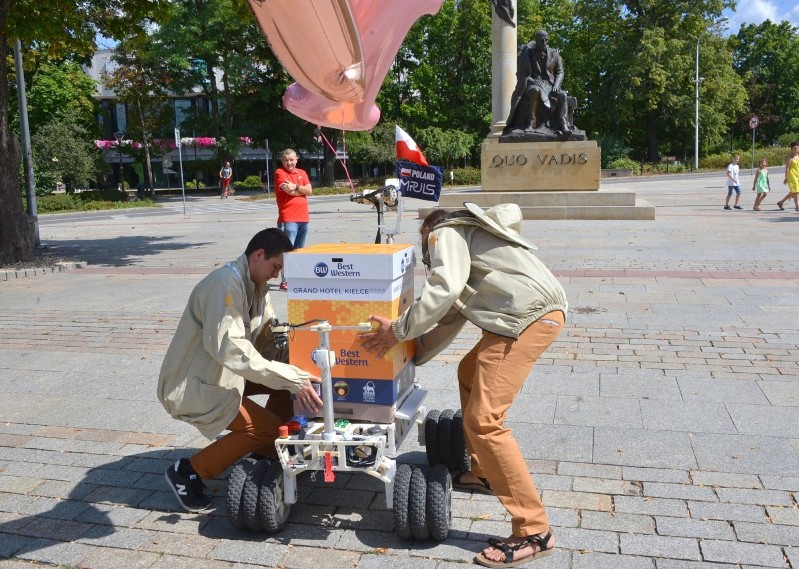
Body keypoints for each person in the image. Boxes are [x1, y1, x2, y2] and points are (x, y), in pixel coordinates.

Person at [359, 203, 566, 568]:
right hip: (529, 316)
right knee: (469, 373)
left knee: (484, 422)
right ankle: (482, 474)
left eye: (424, 248)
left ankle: (534, 530)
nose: (427, 257)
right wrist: (407, 354)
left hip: (526, 320)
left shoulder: (446, 231)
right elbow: (447, 318)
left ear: (428, 233)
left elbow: (444, 288)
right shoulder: (471, 241)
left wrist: (398, 330)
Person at [158, 228, 322, 512]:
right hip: (194, 385)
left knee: (291, 382)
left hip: (227, 374)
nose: (277, 276)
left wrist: (304, 361)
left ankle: (266, 455)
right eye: (276, 267)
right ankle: (188, 471)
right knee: (269, 424)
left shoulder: (256, 287)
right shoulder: (225, 284)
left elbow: (267, 341)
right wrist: (292, 377)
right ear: (259, 255)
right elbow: (230, 348)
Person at [503, 30, 575, 136]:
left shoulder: (554, 53)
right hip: (532, 84)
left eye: (546, 40)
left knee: (562, 95)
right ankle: (531, 123)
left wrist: (556, 85)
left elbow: (560, 72)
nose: (545, 42)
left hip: (550, 86)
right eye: (542, 40)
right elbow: (522, 75)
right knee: (535, 91)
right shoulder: (527, 54)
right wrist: (532, 81)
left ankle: (563, 124)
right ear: (536, 41)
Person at [274, 149, 313, 291]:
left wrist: (296, 186)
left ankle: (295, 278)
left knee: (299, 251)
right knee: (287, 251)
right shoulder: (280, 173)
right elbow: (287, 190)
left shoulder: (302, 173)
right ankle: (285, 281)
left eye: (291, 159)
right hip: (288, 217)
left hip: (303, 217)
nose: (289, 162)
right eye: (286, 160)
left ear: (296, 159)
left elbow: (310, 191)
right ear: (282, 161)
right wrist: (301, 190)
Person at [777, 141, 799, 211]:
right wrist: (786, 177)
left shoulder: (798, 156)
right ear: (791, 149)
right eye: (794, 149)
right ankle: (797, 207)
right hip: (792, 176)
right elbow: (787, 168)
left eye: (797, 148)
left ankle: (781, 202)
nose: (796, 150)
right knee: (796, 191)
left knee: (794, 192)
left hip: (798, 176)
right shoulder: (790, 158)